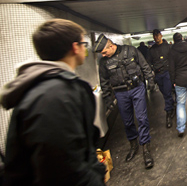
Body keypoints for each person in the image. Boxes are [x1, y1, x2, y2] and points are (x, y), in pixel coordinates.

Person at [0, 19, 105, 185]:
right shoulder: (55, 96)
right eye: (83, 44)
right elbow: (64, 170)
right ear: (74, 47)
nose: (85, 49)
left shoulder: (47, 88)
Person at [94, 34, 154, 169]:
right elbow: (104, 81)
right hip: (120, 93)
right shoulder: (104, 62)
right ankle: (133, 145)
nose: (103, 55)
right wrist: (108, 98)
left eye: (104, 52)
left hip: (137, 88)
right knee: (127, 121)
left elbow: (144, 66)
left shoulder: (131, 50)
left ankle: (145, 148)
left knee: (142, 118)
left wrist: (150, 80)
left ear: (111, 45)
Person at [147, 29, 175, 128]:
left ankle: (168, 114)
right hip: (158, 75)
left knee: (167, 93)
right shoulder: (152, 50)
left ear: (161, 35)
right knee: (164, 93)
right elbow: (148, 62)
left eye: (158, 35)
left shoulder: (168, 47)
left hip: (167, 73)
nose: (156, 37)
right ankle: (172, 105)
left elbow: (173, 60)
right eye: (154, 36)